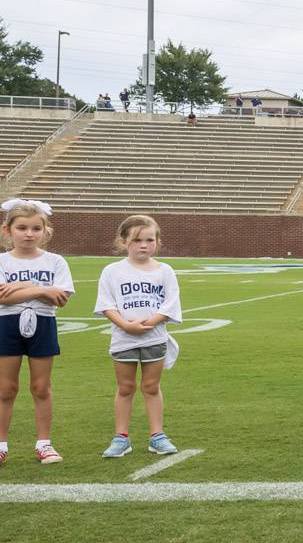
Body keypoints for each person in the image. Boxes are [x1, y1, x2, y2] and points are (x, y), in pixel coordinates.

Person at [94, 215, 182, 459]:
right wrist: (125, 325)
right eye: (137, 240)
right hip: (124, 339)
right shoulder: (112, 271)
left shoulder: (164, 270)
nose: (144, 245)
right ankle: (121, 438)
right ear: (124, 242)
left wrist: (150, 322)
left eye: (149, 240)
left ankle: (157, 436)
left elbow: (170, 304)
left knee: (151, 387)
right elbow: (106, 304)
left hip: (154, 338)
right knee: (125, 387)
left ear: (157, 241)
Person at [0, 199, 74, 465]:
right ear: (8, 230)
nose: (29, 234)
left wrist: (21, 287)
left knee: (41, 387)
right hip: (6, 325)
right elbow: (1, 298)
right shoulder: (3, 261)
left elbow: (61, 298)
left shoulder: (55, 261)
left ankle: (44, 444)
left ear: (45, 231)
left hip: (43, 324)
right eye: (21, 228)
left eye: (35, 228)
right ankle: (1, 445)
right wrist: (41, 288)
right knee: (6, 389)